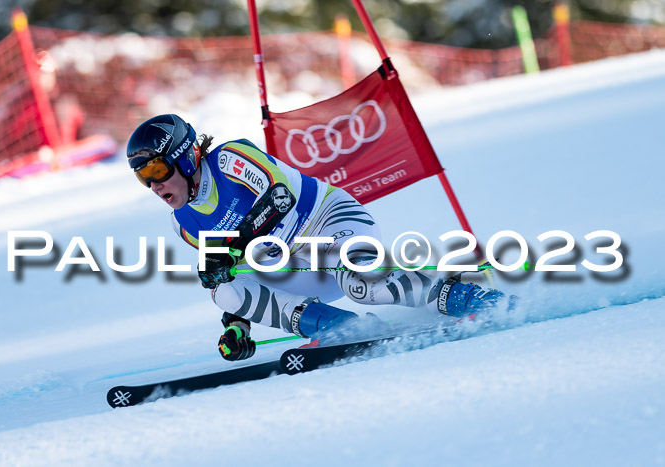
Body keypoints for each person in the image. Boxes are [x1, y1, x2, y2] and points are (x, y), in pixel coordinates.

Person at [127, 114, 507, 361]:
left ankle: (470, 297)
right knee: (223, 290)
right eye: (143, 177)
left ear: (187, 156)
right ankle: (340, 328)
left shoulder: (229, 157)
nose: (154, 184)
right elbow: (237, 275)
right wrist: (237, 327)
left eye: (158, 169)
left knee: (364, 285)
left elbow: (279, 196)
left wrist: (231, 247)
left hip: (326, 222)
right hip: (292, 267)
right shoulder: (184, 223)